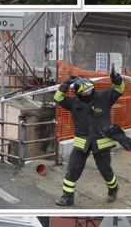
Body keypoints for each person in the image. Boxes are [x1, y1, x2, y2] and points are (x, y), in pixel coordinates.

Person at [54, 66, 125, 206]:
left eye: (89, 91)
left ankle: (113, 189)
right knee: (73, 169)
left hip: (101, 141)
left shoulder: (104, 97)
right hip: (83, 142)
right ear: (79, 93)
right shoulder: (74, 102)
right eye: (84, 93)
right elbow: (58, 98)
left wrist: (116, 78)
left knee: (105, 169)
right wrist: (66, 84)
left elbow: (119, 89)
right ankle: (67, 197)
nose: (87, 94)